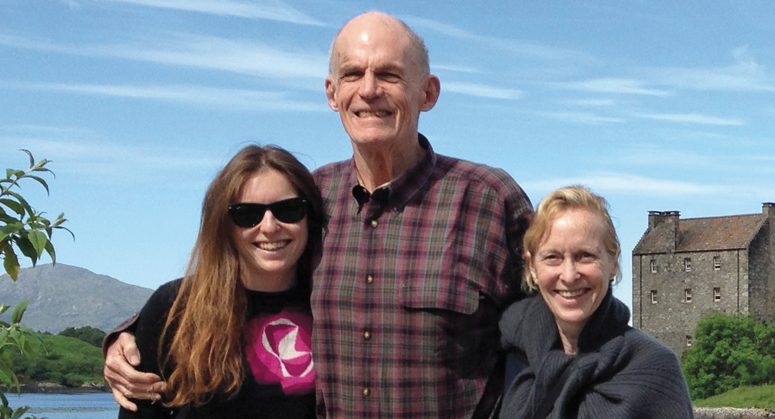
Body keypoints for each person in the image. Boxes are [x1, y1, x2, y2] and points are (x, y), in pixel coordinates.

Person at [104, 11, 533, 418]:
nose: (368, 90)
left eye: (389, 74)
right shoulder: (308, 199)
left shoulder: (489, 200)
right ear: (332, 93)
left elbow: (562, 314)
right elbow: (236, 281)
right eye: (353, 74)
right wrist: (131, 336)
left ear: (428, 92)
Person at [116, 145, 325, 418]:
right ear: (224, 224)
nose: (270, 226)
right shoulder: (175, 306)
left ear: (309, 218)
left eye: (288, 209)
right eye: (248, 214)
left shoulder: (328, 304)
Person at [498, 186, 693, 419]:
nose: (569, 276)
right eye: (553, 257)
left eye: (585, 256)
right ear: (532, 267)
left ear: (613, 263)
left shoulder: (654, 369)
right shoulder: (504, 356)